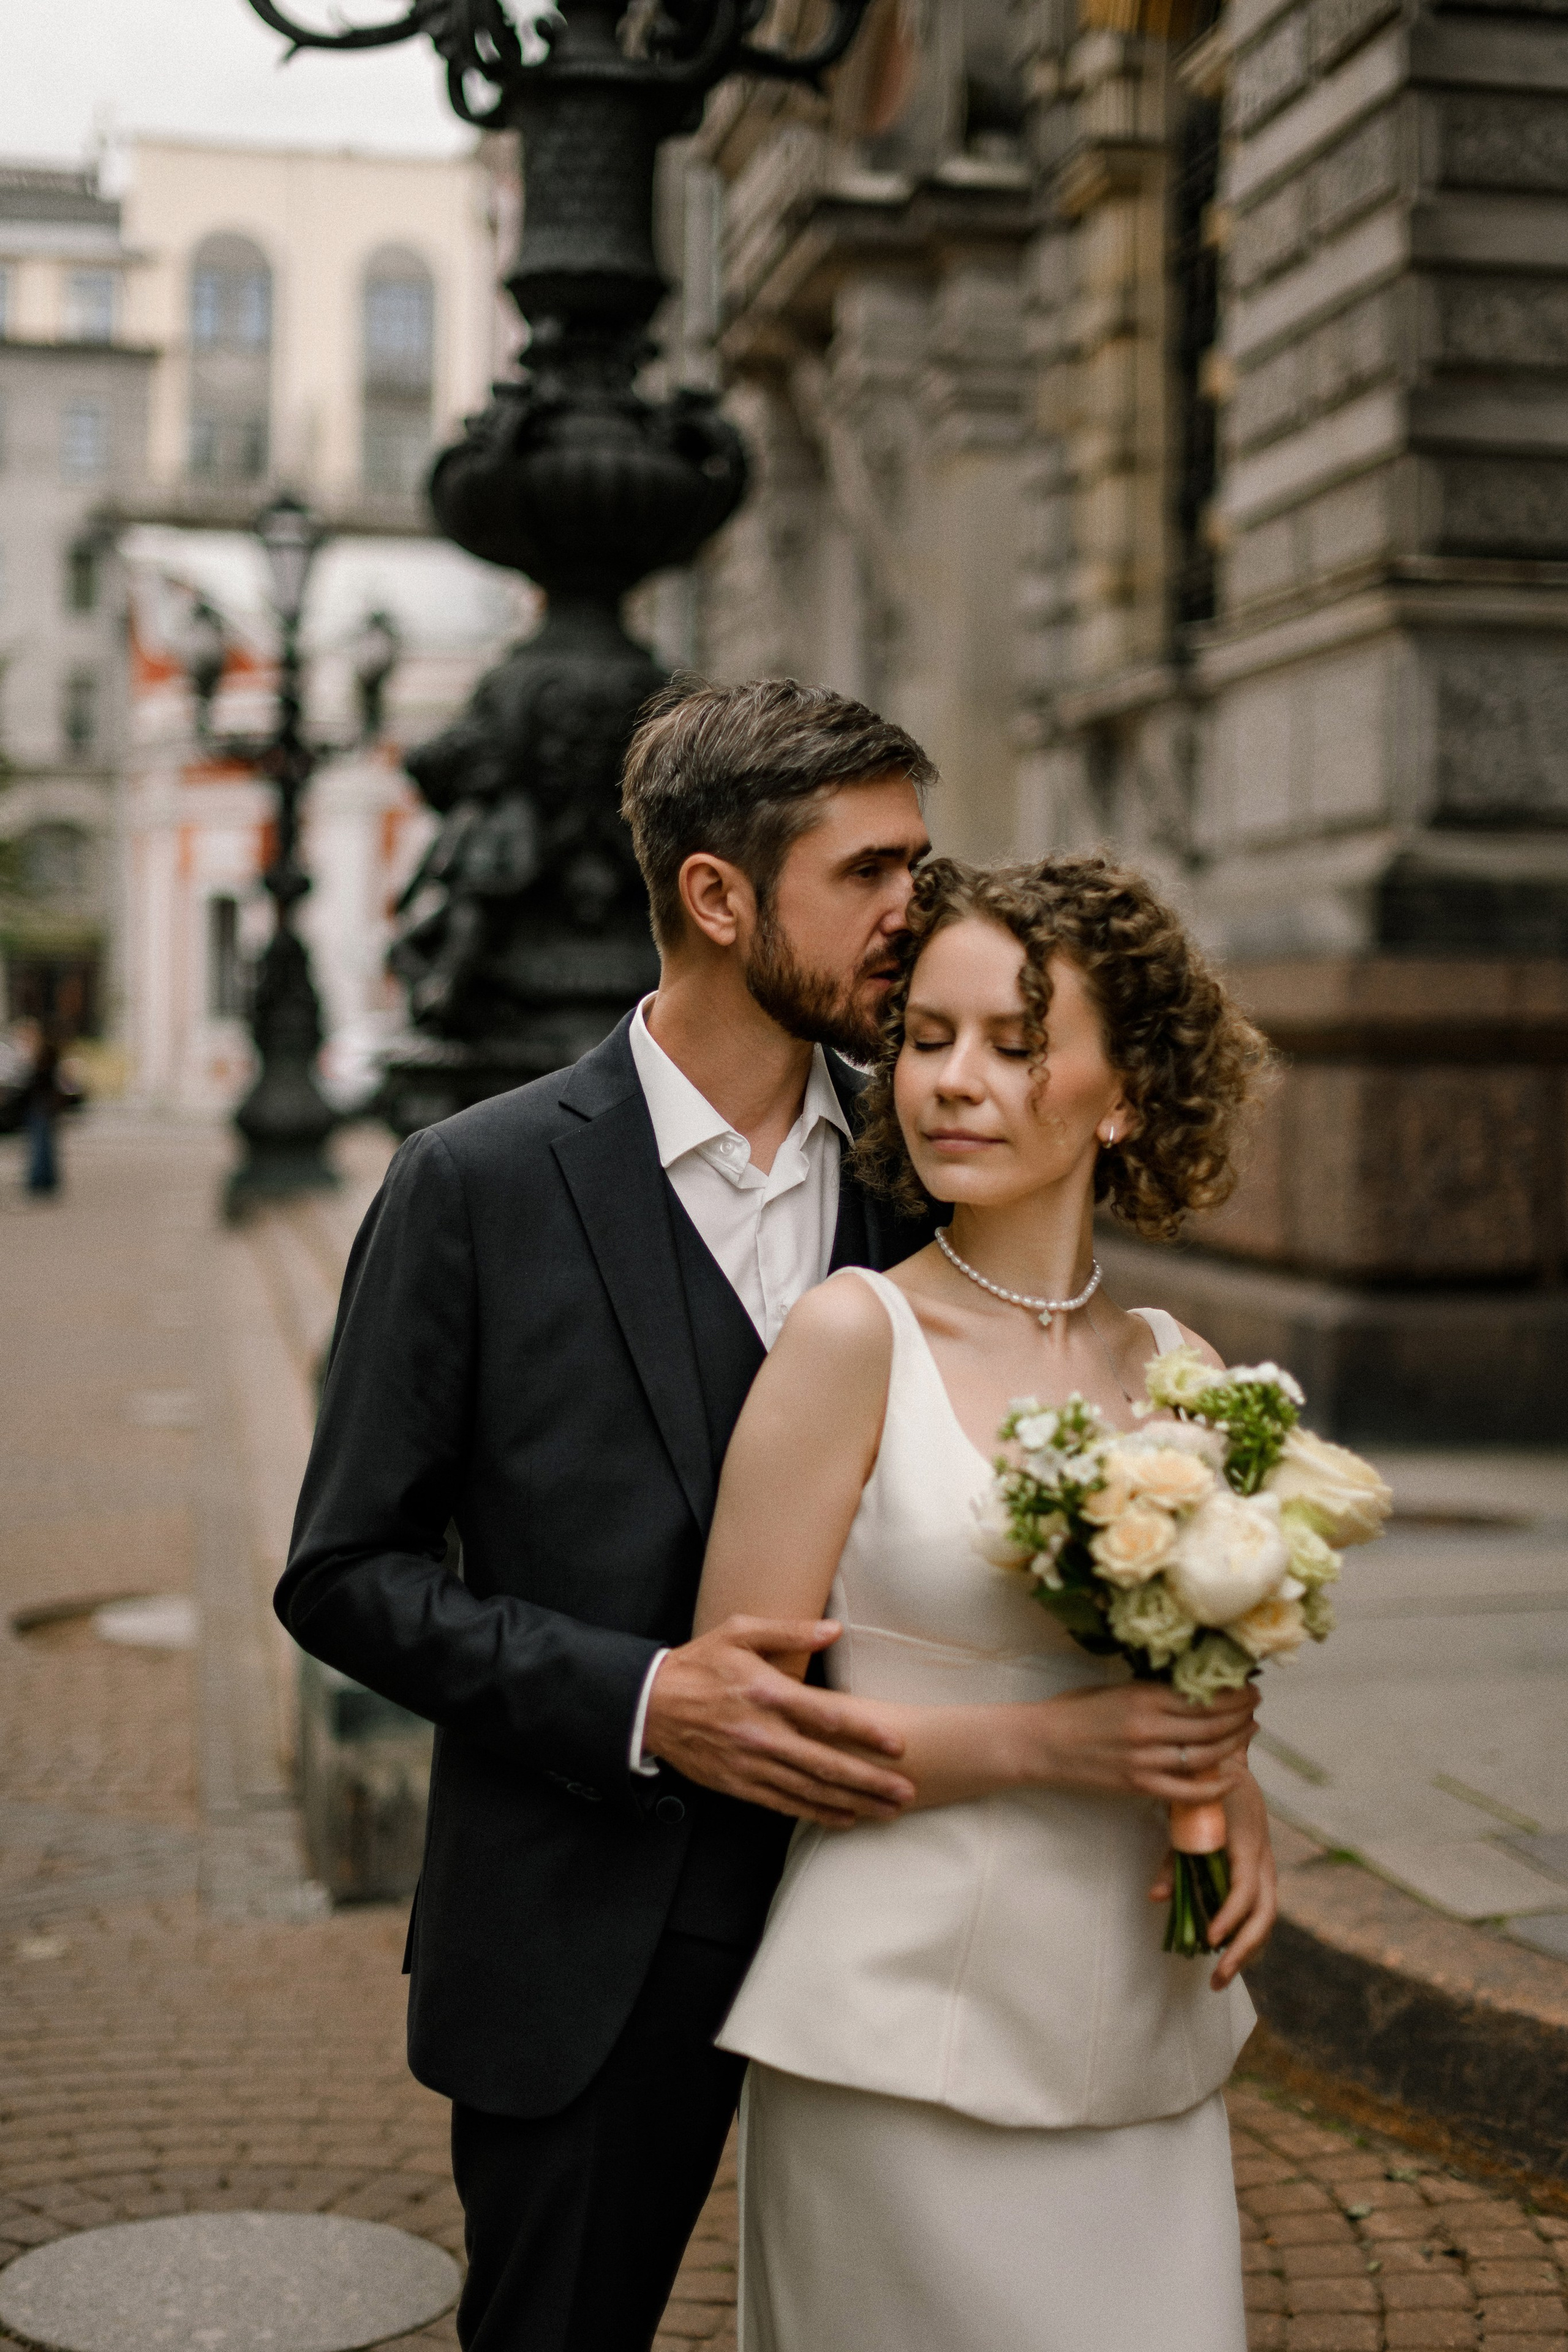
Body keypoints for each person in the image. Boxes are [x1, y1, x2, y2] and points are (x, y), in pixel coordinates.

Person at [277, 679, 938, 2352]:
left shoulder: (923, 1182)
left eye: (920, 870)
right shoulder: (475, 1185)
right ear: (717, 897)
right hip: (588, 1938)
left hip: (897, 1918)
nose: (912, 917)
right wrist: (647, 1702)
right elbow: (343, 1572)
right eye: (868, 874)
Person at [695, 854, 1278, 2352]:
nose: (954, 1082)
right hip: (892, 2036)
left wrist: (1230, 1779)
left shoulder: (1181, 1368)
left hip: (1140, 2023)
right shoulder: (850, 1337)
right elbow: (739, 1717)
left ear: (1125, 1092)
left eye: (1015, 1047)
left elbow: (1198, 1670)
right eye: (929, 1039)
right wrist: (1054, 1749)